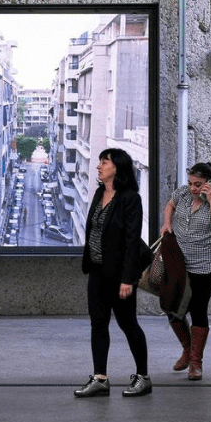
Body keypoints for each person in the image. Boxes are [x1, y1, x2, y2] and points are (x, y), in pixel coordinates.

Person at [74, 148, 152, 399]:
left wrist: (128, 279)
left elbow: (132, 241)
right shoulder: (99, 193)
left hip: (120, 275)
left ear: (117, 167)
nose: (98, 166)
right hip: (96, 271)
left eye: (104, 162)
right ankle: (100, 378)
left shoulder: (130, 198)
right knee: (98, 324)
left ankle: (143, 377)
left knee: (128, 324)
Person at [159, 162, 211, 380]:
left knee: (198, 309)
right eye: (191, 183)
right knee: (170, 304)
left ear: (209, 183)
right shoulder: (183, 193)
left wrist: (210, 200)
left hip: (205, 264)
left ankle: (195, 362)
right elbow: (170, 205)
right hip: (178, 261)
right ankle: (187, 348)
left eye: (198, 184)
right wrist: (166, 223)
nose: (193, 188)